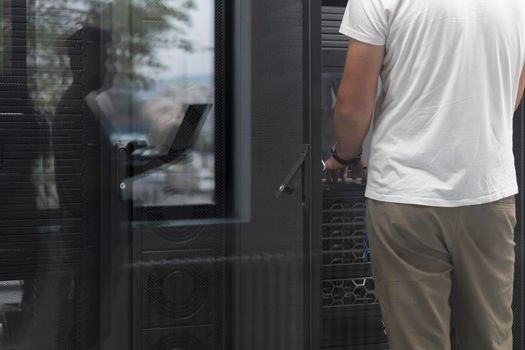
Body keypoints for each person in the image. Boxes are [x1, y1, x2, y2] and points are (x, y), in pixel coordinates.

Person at [324, 0, 525, 349]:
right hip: (489, 193)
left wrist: (345, 155)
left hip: (405, 194)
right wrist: (484, 123)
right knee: (491, 339)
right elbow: (517, 77)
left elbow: (353, 103)